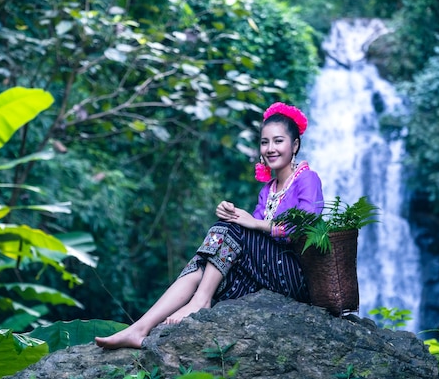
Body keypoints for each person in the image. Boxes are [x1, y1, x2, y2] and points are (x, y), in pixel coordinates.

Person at [95, 102, 323, 350]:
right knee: (209, 257)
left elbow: (306, 228)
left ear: (295, 145)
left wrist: (252, 223)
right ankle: (140, 328)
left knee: (229, 230)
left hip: (293, 275)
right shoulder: (267, 190)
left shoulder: (307, 179)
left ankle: (200, 301)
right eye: (264, 142)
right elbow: (249, 236)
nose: (270, 148)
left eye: (278, 141)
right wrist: (232, 214)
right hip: (266, 274)